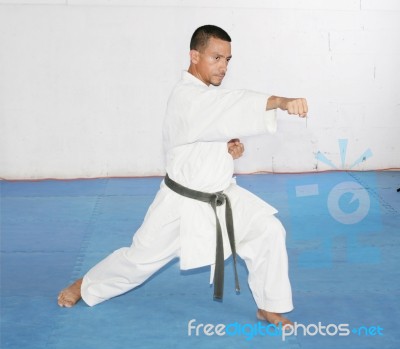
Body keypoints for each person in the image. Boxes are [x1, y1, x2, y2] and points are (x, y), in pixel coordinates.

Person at [58, 25, 308, 326]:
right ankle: (84, 286)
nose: (223, 67)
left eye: (228, 60)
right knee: (139, 260)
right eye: (216, 58)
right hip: (180, 204)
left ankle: (269, 305)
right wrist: (279, 102)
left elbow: (209, 127)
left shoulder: (204, 96)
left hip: (220, 195)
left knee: (268, 230)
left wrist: (226, 148)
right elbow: (227, 105)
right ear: (194, 56)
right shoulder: (187, 97)